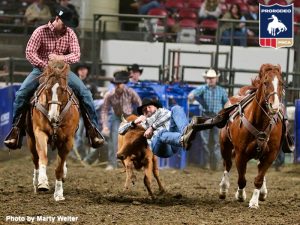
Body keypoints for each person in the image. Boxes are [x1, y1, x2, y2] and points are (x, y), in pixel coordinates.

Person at [4, 7, 104, 150]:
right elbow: (30, 52)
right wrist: (46, 66)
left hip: (63, 71)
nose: (66, 28)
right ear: (57, 19)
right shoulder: (40, 31)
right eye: (64, 24)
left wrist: (60, 58)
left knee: (85, 93)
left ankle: (92, 129)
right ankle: (16, 130)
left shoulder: (70, 33)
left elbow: (76, 54)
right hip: (41, 70)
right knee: (21, 93)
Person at [119, 98, 196, 158]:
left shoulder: (163, 111)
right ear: (142, 113)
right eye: (144, 109)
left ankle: (186, 131)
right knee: (161, 132)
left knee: (176, 108)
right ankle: (183, 139)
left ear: (156, 107)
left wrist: (152, 127)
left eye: (149, 107)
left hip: (174, 142)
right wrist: (134, 122)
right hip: (160, 148)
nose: (147, 109)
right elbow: (121, 131)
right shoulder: (142, 123)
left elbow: (168, 115)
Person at [101, 70, 142, 170]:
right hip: (116, 118)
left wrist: (139, 116)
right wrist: (105, 126)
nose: (118, 85)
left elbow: (139, 103)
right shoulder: (109, 95)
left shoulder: (130, 92)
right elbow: (104, 111)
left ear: (124, 84)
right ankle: (112, 163)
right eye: (117, 84)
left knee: (132, 140)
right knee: (114, 140)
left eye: (120, 83)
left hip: (129, 118)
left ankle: (131, 162)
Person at [188, 69, 228, 170]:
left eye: (212, 78)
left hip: (217, 117)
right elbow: (192, 94)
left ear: (216, 79)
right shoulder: (202, 89)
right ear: (206, 79)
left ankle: (216, 164)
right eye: (209, 78)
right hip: (205, 117)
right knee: (205, 142)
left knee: (217, 142)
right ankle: (207, 163)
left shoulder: (222, 91)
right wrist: (192, 96)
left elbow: (226, 104)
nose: (210, 80)